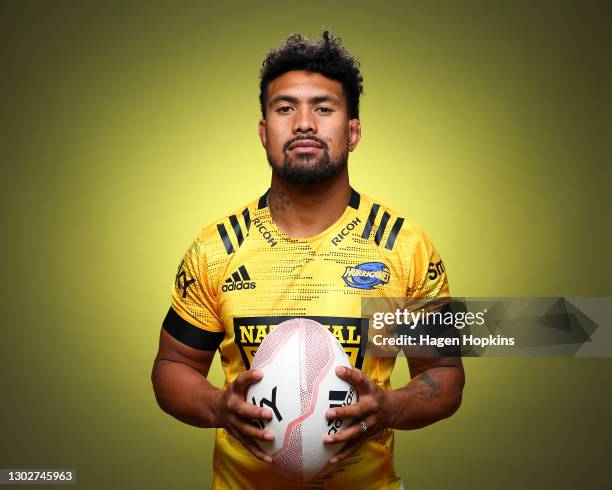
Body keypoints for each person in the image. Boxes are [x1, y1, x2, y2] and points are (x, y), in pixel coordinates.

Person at [151, 31, 465, 490]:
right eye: (284, 108)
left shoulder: (400, 246)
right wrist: (219, 407)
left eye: (323, 108)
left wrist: (390, 408)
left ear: (352, 130)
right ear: (263, 131)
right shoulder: (218, 247)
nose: (303, 123)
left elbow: (443, 373)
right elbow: (173, 366)